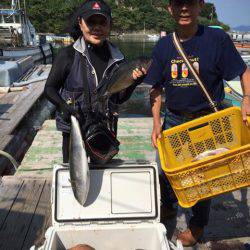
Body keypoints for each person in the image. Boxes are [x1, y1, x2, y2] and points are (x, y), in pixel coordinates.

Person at [144, 0, 250, 247]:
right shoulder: (163, 46)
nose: (184, 8)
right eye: (178, 3)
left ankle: (197, 227)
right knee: (168, 168)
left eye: (190, 2)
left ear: (200, 6)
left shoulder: (216, 39)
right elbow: (156, 89)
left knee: (204, 175)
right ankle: (168, 206)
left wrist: (247, 99)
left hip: (208, 120)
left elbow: (243, 72)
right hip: (174, 118)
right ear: (170, 8)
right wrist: (156, 123)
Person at [44, 0, 145, 164]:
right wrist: (64, 107)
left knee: (102, 176)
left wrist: (134, 82)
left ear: (109, 24)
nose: (97, 27)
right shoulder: (68, 55)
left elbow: (118, 98)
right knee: (77, 179)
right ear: (80, 23)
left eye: (102, 22)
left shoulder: (118, 59)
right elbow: (49, 89)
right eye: (91, 21)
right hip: (74, 130)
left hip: (104, 130)